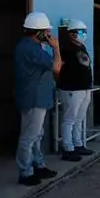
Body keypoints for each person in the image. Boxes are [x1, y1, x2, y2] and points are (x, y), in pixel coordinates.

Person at [14, 11, 62, 186]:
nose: (49, 35)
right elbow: (57, 67)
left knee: (37, 135)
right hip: (33, 98)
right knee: (29, 136)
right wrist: (56, 48)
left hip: (38, 97)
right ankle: (25, 172)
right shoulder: (30, 48)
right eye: (47, 32)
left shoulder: (33, 47)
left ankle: (37, 165)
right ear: (39, 32)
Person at [58, 19, 94, 161]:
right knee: (69, 119)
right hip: (72, 88)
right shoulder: (66, 49)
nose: (84, 34)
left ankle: (78, 144)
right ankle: (68, 148)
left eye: (84, 32)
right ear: (72, 34)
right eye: (81, 32)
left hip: (84, 88)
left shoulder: (82, 48)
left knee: (79, 118)